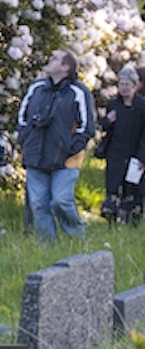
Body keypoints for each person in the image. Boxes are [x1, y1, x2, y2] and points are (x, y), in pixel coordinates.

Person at [17, 47, 96, 241]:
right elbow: (22, 119)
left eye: (54, 59)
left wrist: (68, 149)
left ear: (66, 67)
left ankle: (77, 242)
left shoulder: (78, 91)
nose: (49, 60)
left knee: (61, 201)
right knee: (38, 205)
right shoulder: (36, 88)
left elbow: (87, 128)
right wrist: (26, 143)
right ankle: (49, 249)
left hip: (66, 161)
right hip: (36, 157)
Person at [97, 64, 145, 225]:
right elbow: (105, 129)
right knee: (113, 187)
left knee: (132, 189)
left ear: (134, 86)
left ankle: (131, 220)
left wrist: (142, 157)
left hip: (135, 154)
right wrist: (108, 121)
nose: (124, 88)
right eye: (121, 84)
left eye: (127, 84)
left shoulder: (142, 106)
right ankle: (111, 218)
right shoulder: (114, 104)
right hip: (116, 153)